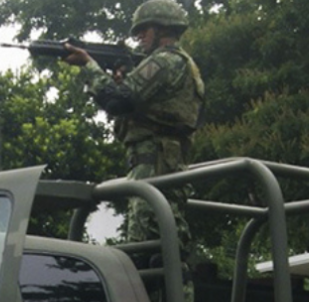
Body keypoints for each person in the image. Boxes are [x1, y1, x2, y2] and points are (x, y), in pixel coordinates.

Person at [64, 0, 205, 255]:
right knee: (154, 248)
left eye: (145, 29)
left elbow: (118, 101)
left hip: (155, 165)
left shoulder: (165, 62)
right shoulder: (172, 62)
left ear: (163, 29)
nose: (139, 36)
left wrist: (89, 65)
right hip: (155, 163)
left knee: (150, 247)